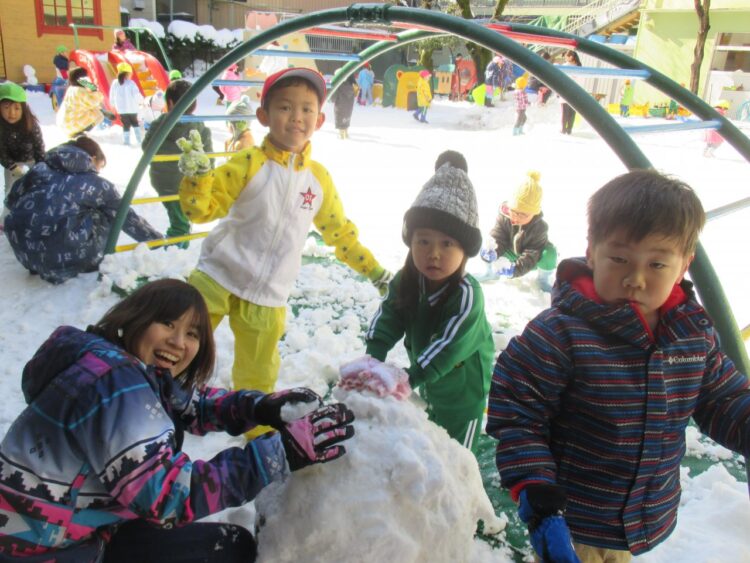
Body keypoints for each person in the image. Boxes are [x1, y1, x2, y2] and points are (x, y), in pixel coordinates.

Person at [485, 169, 750, 563]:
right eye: (620, 259)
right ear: (592, 252)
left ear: (683, 265)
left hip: (640, 519)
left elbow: (723, 399)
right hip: (571, 520)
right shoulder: (561, 334)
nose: (635, 279)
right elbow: (518, 413)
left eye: (657, 265)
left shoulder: (691, 335)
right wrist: (537, 492)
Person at [0, 278, 356, 561]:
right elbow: (168, 495)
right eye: (167, 322)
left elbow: (192, 405)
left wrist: (259, 407)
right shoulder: (114, 383)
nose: (178, 341)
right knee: (230, 548)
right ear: (133, 317)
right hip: (40, 550)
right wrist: (279, 454)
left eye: (192, 333)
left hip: (61, 528)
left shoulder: (112, 364)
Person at [176, 67, 390, 438]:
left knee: (257, 376)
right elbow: (201, 211)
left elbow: (339, 231)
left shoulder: (319, 180)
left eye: (307, 109)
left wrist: (374, 271)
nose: (297, 117)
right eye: (285, 108)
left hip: (268, 296)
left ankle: (255, 437)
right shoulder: (247, 164)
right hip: (218, 275)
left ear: (320, 119)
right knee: (180, 343)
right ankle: (158, 398)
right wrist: (197, 178)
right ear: (264, 116)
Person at [364, 151, 494, 453]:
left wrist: (410, 378)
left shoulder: (467, 295)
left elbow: (447, 346)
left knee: (457, 458)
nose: (433, 253)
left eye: (447, 243)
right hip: (431, 381)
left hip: (464, 394)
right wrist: (374, 356)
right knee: (432, 442)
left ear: (465, 250)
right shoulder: (408, 279)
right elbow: (389, 315)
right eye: (423, 241)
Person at [4, 136, 162, 284]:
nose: (98, 172)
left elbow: (11, 201)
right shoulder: (97, 184)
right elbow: (126, 218)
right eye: (99, 167)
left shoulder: (38, 170)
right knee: (107, 210)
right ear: (92, 158)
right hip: (70, 260)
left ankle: (43, 258)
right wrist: (159, 242)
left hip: (26, 256)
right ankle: (87, 261)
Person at [143, 79, 212, 244]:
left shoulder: (160, 123)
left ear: (170, 102)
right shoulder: (198, 125)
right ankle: (176, 249)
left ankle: (180, 242)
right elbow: (208, 155)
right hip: (188, 182)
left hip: (164, 181)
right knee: (180, 221)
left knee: (179, 215)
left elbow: (146, 147)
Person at [481, 171, 557, 291]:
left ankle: (542, 279)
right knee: (488, 243)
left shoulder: (540, 228)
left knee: (550, 253)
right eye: (514, 211)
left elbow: (532, 254)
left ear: (534, 213)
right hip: (510, 254)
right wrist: (492, 252)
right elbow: (498, 237)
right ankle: (491, 271)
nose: (516, 217)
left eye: (523, 215)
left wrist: (515, 270)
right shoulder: (504, 217)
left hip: (531, 260)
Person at [0, 81, 45, 219]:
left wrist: (41, 166)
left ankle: (34, 215)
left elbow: (39, 147)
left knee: (34, 189)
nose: (11, 113)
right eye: (6, 107)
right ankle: (7, 218)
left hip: (31, 161)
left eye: (16, 108)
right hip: (12, 165)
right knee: (11, 190)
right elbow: (1, 152)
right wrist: (12, 167)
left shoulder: (31, 125)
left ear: (23, 109)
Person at [56, 67, 105, 138]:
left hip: (63, 123)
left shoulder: (71, 89)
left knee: (95, 111)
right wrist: (93, 89)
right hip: (70, 126)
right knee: (99, 115)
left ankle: (77, 132)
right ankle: (79, 133)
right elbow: (95, 102)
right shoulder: (80, 91)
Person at [109, 62, 144, 145]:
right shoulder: (131, 83)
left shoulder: (115, 83)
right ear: (128, 74)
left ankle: (126, 141)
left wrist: (112, 105)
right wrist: (141, 102)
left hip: (121, 109)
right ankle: (139, 140)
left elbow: (112, 95)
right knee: (135, 123)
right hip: (132, 108)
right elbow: (136, 95)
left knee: (126, 125)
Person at [560, 49, 582, 134]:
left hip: (565, 91)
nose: (565, 58)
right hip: (576, 92)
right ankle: (569, 129)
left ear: (571, 57)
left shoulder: (565, 66)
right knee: (572, 112)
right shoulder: (579, 67)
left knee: (564, 112)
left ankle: (563, 129)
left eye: (566, 56)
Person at [330, 74, 356, 139]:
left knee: (340, 120)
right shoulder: (352, 85)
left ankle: (341, 136)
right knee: (346, 119)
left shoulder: (338, 86)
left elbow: (333, 98)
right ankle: (346, 134)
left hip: (340, 107)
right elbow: (354, 95)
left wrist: (331, 98)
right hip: (349, 107)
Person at [51, 45, 70, 109]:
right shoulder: (58, 59)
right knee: (61, 93)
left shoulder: (64, 59)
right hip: (61, 79)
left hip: (66, 78)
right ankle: (61, 107)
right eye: (64, 52)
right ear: (60, 53)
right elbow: (64, 66)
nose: (66, 53)